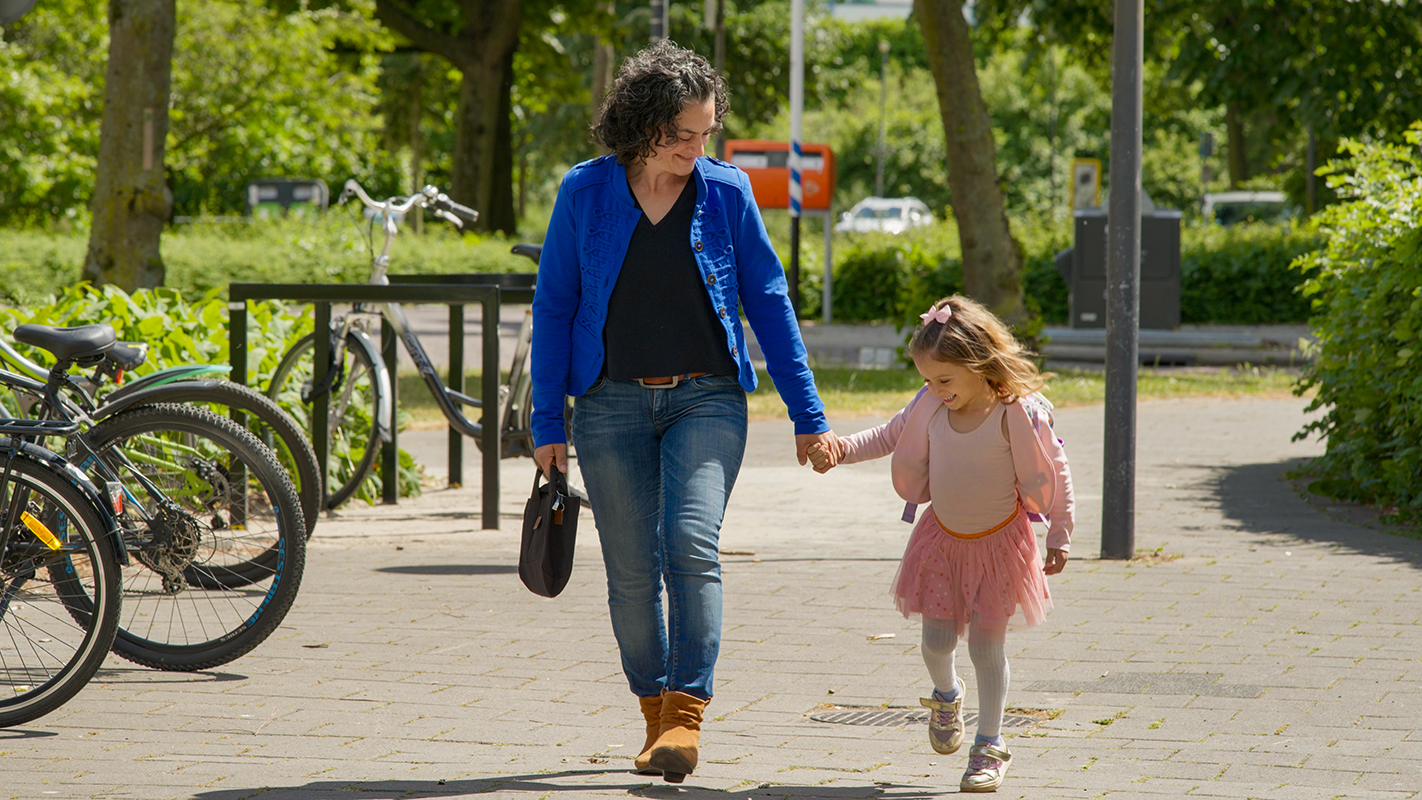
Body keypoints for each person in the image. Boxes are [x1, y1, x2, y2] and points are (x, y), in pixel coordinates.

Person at [529, 40, 840, 785]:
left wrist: (808, 413)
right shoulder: (585, 191)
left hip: (707, 397)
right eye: (681, 135)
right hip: (607, 403)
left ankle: (687, 714)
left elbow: (769, 301)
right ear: (642, 125)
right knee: (631, 572)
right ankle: (654, 714)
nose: (697, 149)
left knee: (690, 544)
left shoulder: (726, 192)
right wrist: (546, 423)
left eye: (706, 133)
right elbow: (554, 304)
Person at [820, 294, 1073, 793]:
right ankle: (947, 694)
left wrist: (1060, 533)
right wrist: (840, 448)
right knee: (936, 643)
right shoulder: (930, 405)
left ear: (979, 364)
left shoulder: (1015, 413)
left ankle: (990, 745)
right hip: (942, 542)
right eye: (928, 381)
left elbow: (1055, 472)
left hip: (1001, 547)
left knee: (986, 645)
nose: (935, 390)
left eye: (943, 380)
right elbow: (888, 435)